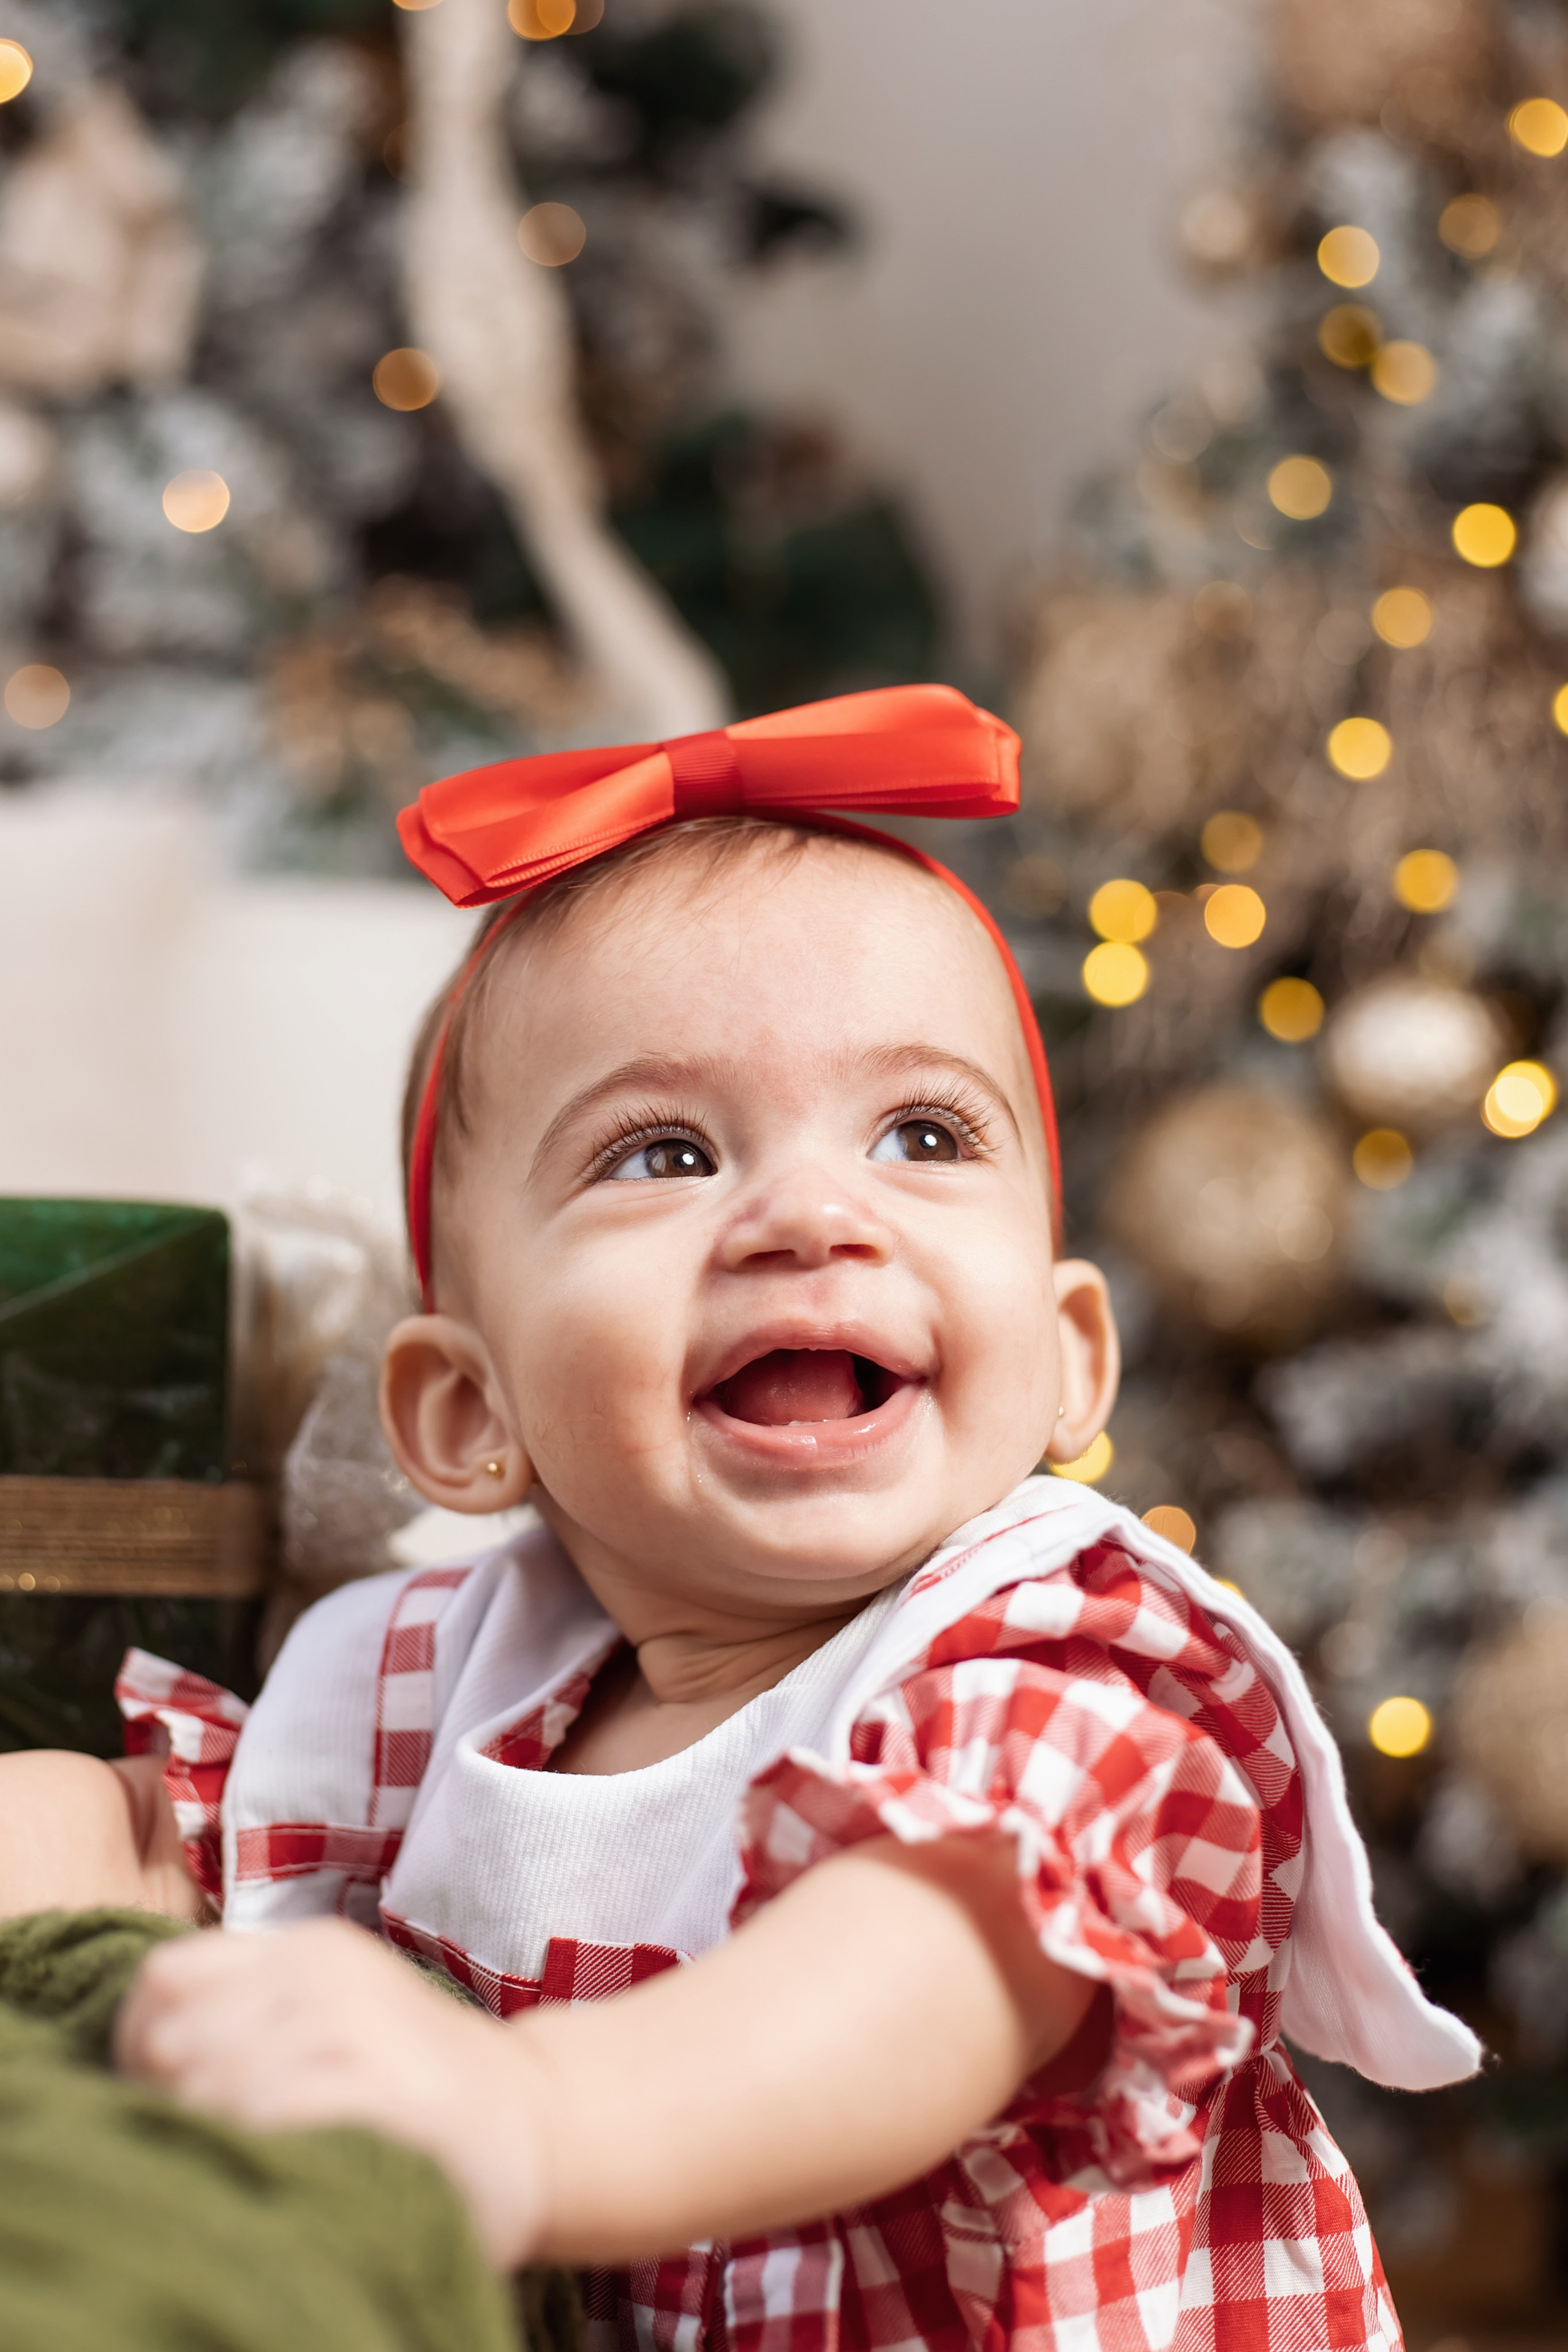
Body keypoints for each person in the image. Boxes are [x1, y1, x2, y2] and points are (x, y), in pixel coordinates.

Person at [0, 690, 1477, 2351]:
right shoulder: (443, 1686)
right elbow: (146, 1841)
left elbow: (912, 1980)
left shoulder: (1072, 1668)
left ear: (1070, 1360)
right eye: (663, 1152)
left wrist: (531, 2119)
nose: (810, 1213)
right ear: (469, 1417)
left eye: (922, 1134)